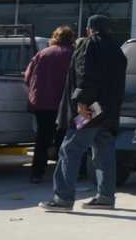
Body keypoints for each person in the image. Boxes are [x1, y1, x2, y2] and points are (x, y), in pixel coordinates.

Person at [38, 15, 127, 212]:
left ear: (89, 29)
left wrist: (82, 102)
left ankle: (63, 199)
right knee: (104, 152)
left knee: (69, 148)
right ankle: (105, 197)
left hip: (90, 109)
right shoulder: (117, 49)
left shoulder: (88, 45)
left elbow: (85, 74)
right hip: (109, 110)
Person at [24, 25, 76, 184]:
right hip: (63, 105)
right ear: (71, 39)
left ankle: (36, 174)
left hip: (41, 102)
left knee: (42, 139)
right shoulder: (73, 55)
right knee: (64, 140)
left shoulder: (42, 53)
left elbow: (27, 77)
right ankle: (62, 175)